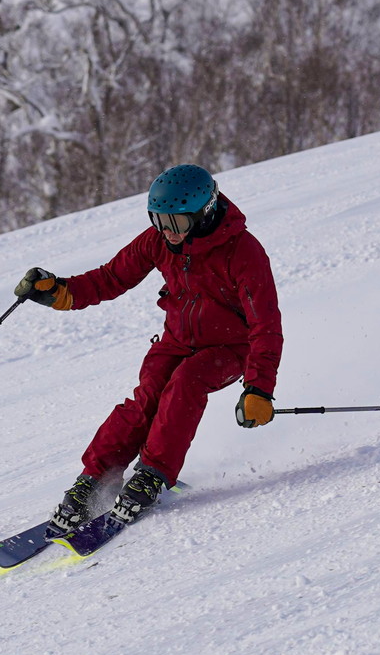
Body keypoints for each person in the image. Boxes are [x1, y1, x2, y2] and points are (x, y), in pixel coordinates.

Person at [14, 164, 283, 530]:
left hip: (230, 348)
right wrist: (61, 292)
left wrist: (259, 388)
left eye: (177, 223)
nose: (168, 232)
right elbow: (111, 277)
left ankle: (152, 475)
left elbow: (265, 324)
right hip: (176, 341)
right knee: (147, 397)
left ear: (204, 212)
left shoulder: (243, 252)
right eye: (159, 219)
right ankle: (94, 481)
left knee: (187, 381)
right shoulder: (158, 240)